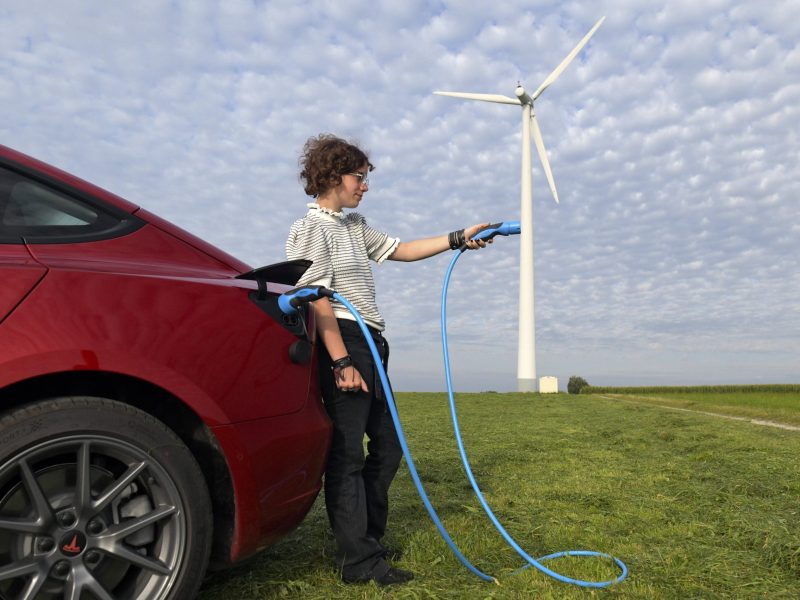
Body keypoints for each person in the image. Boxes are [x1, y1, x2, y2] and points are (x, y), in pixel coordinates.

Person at [285, 134, 491, 586]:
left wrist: (458, 238)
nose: (365, 186)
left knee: (389, 447)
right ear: (333, 175)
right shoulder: (310, 229)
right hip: (344, 339)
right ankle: (360, 562)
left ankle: (365, 542)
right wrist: (341, 363)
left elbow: (402, 249)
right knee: (347, 455)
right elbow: (317, 298)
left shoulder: (355, 227)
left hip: (372, 343)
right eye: (359, 177)